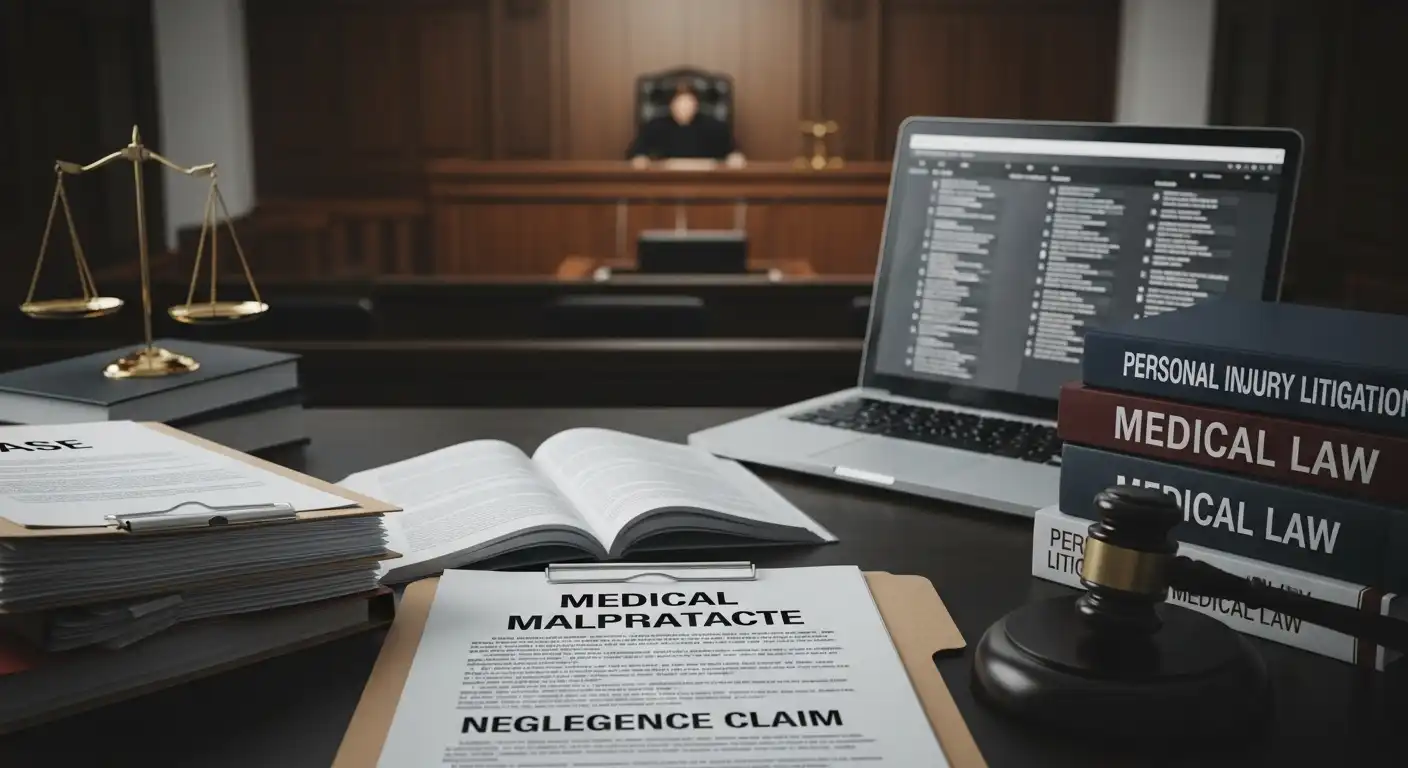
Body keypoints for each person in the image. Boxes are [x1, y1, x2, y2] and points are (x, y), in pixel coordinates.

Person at [627, 82, 746, 168]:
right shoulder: (654, 127)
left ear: (696, 106)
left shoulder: (715, 127)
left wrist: (735, 158)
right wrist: (640, 159)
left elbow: (733, 153)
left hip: (707, 184)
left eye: (689, 103)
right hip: (664, 185)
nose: (684, 108)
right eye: (679, 103)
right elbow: (635, 154)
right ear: (671, 106)